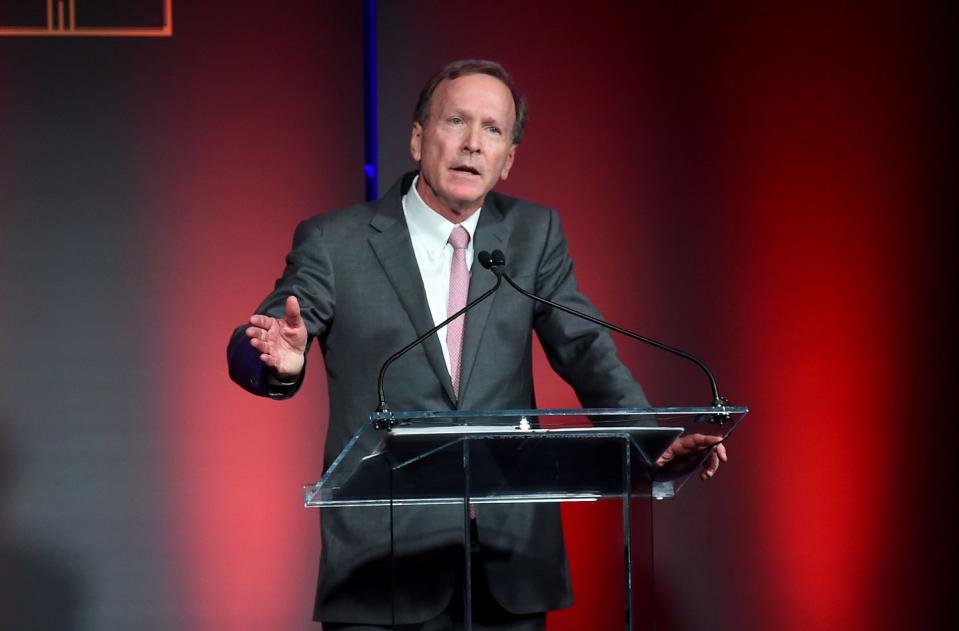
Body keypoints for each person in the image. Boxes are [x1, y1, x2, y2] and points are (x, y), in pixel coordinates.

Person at [227, 59, 726, 630]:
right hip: (383, 568)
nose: (472, 144)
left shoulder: (533, 234)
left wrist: (648, 440)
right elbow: (263, 338)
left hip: (508, 564)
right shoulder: (335, 241)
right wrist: (279, 360)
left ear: (508, 159)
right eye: (455, 121)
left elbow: (586, 348)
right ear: (418, 138)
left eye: (492, 130)